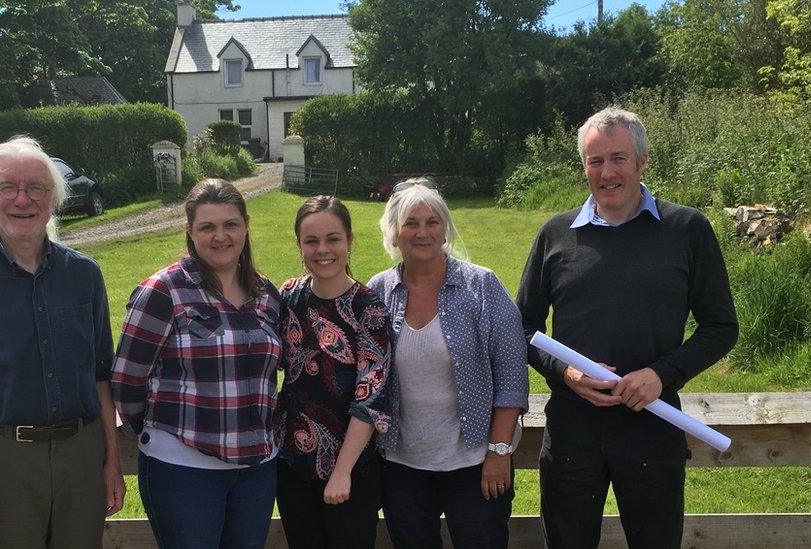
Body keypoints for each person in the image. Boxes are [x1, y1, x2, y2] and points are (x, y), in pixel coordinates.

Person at [516, 107, 739, 549]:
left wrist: (661, 375)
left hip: (651, 429)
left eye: (618, 158)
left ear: (642, 162)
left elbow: (720, 327)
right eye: (595, 161)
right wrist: (567, 374)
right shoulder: (556, 234)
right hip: (572, 432)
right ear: (584, 167)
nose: (607, 172)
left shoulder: (685, 229)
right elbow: (522, 327)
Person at [0, 136, 125, 548]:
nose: (22, 199)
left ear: (53, 198)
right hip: (3, 460)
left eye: (36, 187)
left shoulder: (84, 275)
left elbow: (101, 376)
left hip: (81, 455)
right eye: (7, 188)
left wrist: (111, 463)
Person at [111, 179, 281, 549]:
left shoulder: (266, 294)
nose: (220, 236)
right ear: (190, 232)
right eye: (208, 227)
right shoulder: (164, 291)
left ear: (246, 226)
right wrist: (164, 430)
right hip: (182, 470)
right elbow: (126, 382)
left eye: (230, 224)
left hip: (256, 471)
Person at [368, 179, 529, 549]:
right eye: (410, 223)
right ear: (394, 233)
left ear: (445, 229)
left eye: (432, 221)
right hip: (401, 464)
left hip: (474, 463)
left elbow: (511, 376)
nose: (422, 232)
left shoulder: (482, 287)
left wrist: (499, 453)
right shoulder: (379, 291)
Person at [276, 195, 392, 549]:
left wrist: (341, 472)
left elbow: (369, 396)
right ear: (299, 245)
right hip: (293, 465)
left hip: (353, 469)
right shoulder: (288, 297)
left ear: (349, 241)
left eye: (333, 239)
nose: (322, 249)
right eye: (311, 240)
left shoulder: (368, 309)